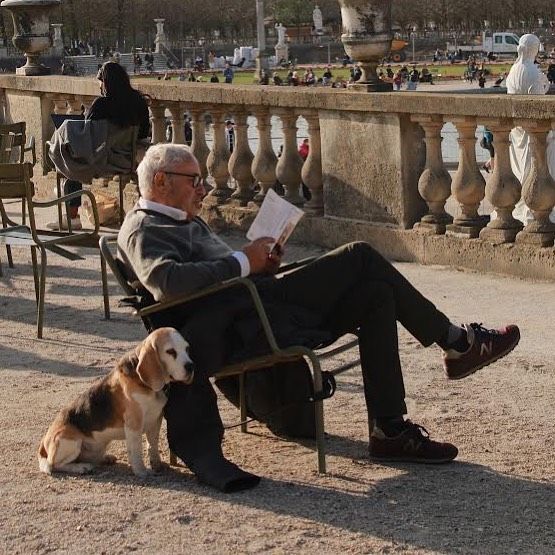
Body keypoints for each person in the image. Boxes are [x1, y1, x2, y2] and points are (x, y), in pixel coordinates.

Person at [116, 143, 521, 492]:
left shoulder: (185, 219)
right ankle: (458, 343)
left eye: (202, 179)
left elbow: (226, 270)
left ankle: (390, 429)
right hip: (245, 323)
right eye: (193, 180)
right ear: (161, 181)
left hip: (260, 305)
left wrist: (261, 262)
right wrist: (244, 261)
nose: (201, 189)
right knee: (359, 255)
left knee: (375, 294)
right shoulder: (142, 228)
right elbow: (166, 283)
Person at [47, 62, 150, 230]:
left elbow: (86, 139)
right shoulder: (139, 102)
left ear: (106, 82)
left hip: (100, 163)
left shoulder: (101, 105)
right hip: (126, 161)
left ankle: (72, 216)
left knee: (70, 154)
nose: (99, 86)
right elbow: (144, 135)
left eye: (100, 82)